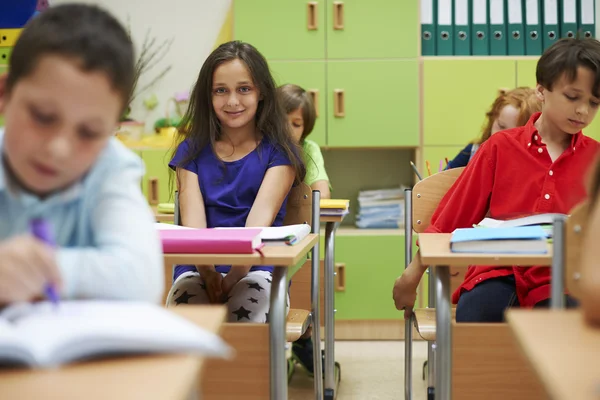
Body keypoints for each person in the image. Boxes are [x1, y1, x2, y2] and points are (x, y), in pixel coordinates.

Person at [393, 37, 600, 322]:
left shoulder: (595, 158)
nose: (583, 111)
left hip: (562, 277)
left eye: (594, 102)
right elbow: (453, 216)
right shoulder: (500, 146)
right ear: (541, 90)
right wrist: (412, 273)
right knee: (478, 314)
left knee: (567, 322)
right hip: (497, 270)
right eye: (573, 97)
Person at [0, 3, 163, 305]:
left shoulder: (110, 167)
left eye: (88, 133)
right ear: (4, 95)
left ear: (112, 128)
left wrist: (37, 269)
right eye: (43, 117)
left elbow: (142, 278)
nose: (59, 149)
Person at [165, 41, 305, 324]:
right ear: (208, 95)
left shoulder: (280, 154)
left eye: (244, 89)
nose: (232, 101)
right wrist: (208, 274)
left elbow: (257, 226)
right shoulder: (190, 152)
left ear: (261, 91)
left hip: (257, 269)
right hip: (197, 268)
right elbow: (194, 229)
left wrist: (232, 278)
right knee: (186, 323)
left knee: (243, 320)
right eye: (221, 90)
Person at [447, 87, 542, 169]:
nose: (502, 137)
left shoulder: (539, 165)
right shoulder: (472, 152)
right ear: (493, 120)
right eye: (500, 126)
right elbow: (438, 184)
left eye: (513, 132)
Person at [278, 83, 331, 198]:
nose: (287, 129)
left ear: (305, 129)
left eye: (296, 124)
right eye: (281, 120)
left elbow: (322, 195)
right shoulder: (259, 147)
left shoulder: (308, 149)